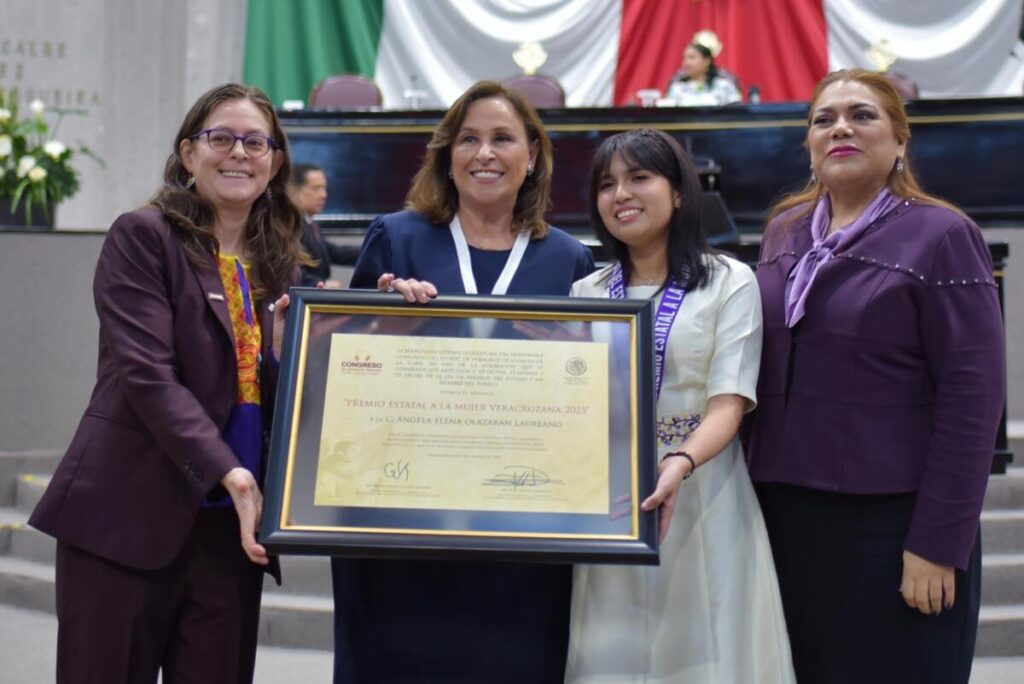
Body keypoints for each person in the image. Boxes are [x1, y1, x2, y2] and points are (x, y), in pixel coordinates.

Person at [28, 83, 307, 683]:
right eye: (221, 138)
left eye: (256, 142)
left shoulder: (281, 260)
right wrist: (230, 472)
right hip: (127, 516)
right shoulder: (143, 236)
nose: (239, 153)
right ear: (187, 154)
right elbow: (148, 376)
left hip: (231, 534)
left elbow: (275, 389)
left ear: (275, 162)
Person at [746, 68, 1005, 683]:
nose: (840, 128)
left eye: (862, 115)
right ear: (808, 143)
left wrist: (938, 543)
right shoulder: (783, 231)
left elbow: (973, 400)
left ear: (899, 139)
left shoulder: (943, 234)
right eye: (823, 119)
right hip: (787, 521)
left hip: (895, 530)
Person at [332, 80, 594, 683]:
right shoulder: (396, 237)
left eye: (503, 138)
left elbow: (589, 388)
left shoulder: (569, 260)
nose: (484, 153)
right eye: (468, 139)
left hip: (523, 530)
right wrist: (378, 318)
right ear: (446, 156)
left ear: (532, 156)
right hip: (403, 525)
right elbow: (345, 371)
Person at [564, 129, 795, 683]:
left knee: (707, 654)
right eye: (606, 184)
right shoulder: (587, 293)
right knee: (613, 655)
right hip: (614, 499)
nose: (621, 194)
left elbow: (729, 402)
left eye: (639, 178)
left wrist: (681, 462)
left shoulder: (727, 282)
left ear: (679, 191)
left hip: (703, 490)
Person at [289, 163, 359, 287]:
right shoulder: (288, 225)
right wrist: (321, 284)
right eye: (316, 188)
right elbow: (289, 269)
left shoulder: (309, 222)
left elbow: (333, 252)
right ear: (295, 190)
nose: (323, 195)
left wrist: (371, 249)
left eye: (324, 189)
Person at [665, 31, 741, 106]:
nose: (686, 63)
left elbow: (736, 112)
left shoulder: (724, 85)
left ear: (707, 60)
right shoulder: (677, 87)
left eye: (692, 57)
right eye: (684, 58)